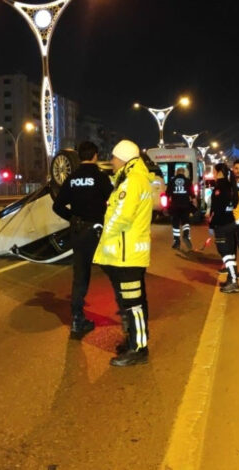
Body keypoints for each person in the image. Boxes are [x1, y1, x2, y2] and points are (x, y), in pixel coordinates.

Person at [94, 139, 153, 367]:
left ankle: (139, 349)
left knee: (133, 304)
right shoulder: (137, 178)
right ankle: (135, 342)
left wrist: (104, 233)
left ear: (123, 158)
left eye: (114, 157)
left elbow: (121, 216)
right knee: (135, 302)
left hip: (127, 254)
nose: (111, 161)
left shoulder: (132, 182)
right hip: (131, 252)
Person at [52, 141, 113, 340]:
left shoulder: (72, 178)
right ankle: (127, 316)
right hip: (98, 232)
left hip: (78, 233)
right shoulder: (101, 177)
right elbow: (113, 201)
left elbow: (57, 206)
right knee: (114, 271)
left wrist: (73, 218)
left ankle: (77, 321)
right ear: (95, 155)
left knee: (80, 277)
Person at [209, 163, 239, 293]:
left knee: (226, 254)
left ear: (218, 172)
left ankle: (233, 281)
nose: (213, 174)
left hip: (221, 225)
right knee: (230, 254)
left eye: (213, 171)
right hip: (231, 223)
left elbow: (216, 210)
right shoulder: (230, 186)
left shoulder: (219, 188)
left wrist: (212, 226)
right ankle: (231, 279)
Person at [166, 167, 195, 250]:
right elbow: (192, 194)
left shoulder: (171, 181)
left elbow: (167, 194)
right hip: (185, 205)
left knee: (175, 224)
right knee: (186, 221)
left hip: (175, 206)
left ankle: (176, 242)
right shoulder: (188, 181)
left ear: (176, 173)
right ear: (183, 173)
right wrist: (194, 202)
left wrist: (166, 205)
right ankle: (186, 235)